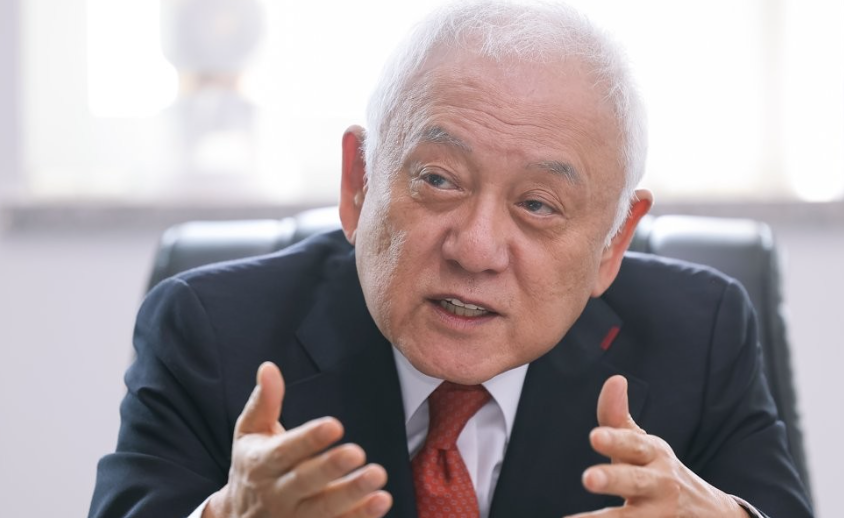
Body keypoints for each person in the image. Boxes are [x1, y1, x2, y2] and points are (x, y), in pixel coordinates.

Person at [88, 1, 813, 517]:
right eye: (438, 180)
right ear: (358, 183)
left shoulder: (701, 334)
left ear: (613, 243)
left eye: (538, 205)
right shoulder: (210, 333)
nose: (475, 248)